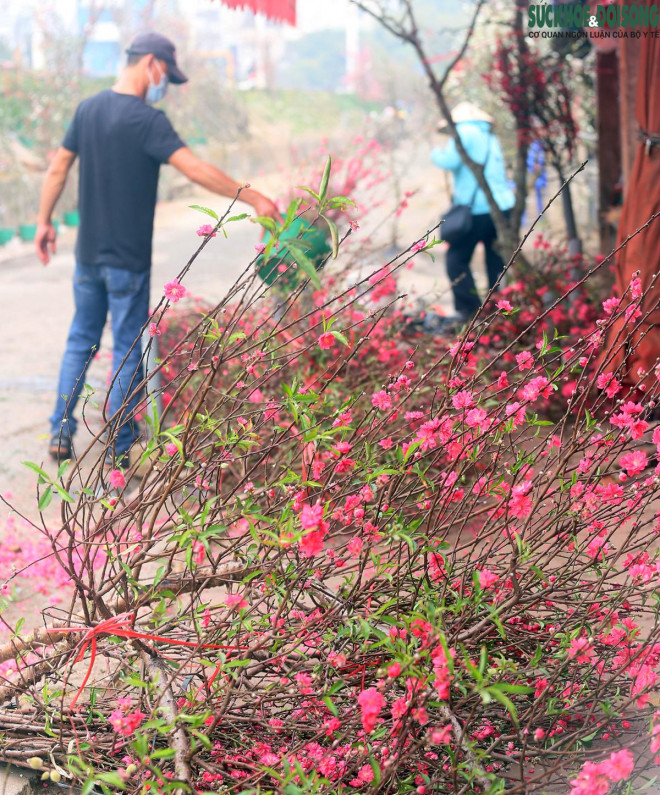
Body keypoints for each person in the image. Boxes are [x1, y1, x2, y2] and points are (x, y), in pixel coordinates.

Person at [35, 32, 280, 464]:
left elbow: (57, 169)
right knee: (128, 343)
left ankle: (61, 429)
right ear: (151, 63)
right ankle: (119, 441)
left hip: (88, 257)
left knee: (81, 340)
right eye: (165, 72)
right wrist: (255, 197)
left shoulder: (87, 110)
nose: (163, 82)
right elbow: (197, 168)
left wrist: (43, 221)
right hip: (128, 261)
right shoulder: (149, 121)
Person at [431, 102, 515, 321]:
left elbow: (448, 160)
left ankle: (469, 311)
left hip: (477, 209)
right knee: (495, 259)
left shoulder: (463, 132)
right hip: (502, 207)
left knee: (456, 260)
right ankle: (497, 310)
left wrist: (435, 152)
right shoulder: (489, 136)